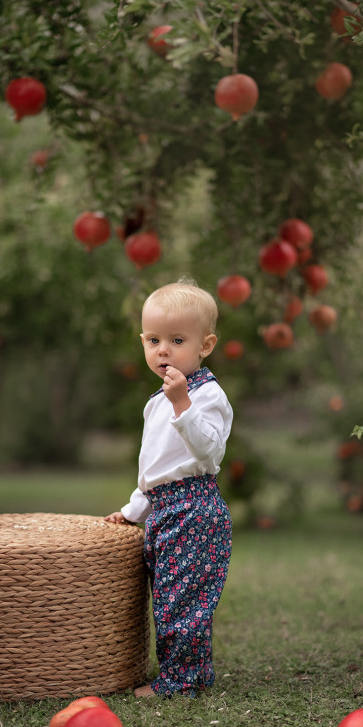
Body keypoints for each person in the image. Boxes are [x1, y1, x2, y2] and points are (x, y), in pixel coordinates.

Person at [105, 279, 233, 697]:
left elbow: (209, 451)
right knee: (167, 598)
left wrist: (183, 403)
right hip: (164, 508)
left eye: (177, 341)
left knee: (184, 601)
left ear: (205, 346)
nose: (163, 351)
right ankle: (191, 673)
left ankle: (181, 681)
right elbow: (156, 469)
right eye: (154, 340)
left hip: (195, 509)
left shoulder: (207, 395)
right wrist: (133, 510)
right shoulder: (157, 401)